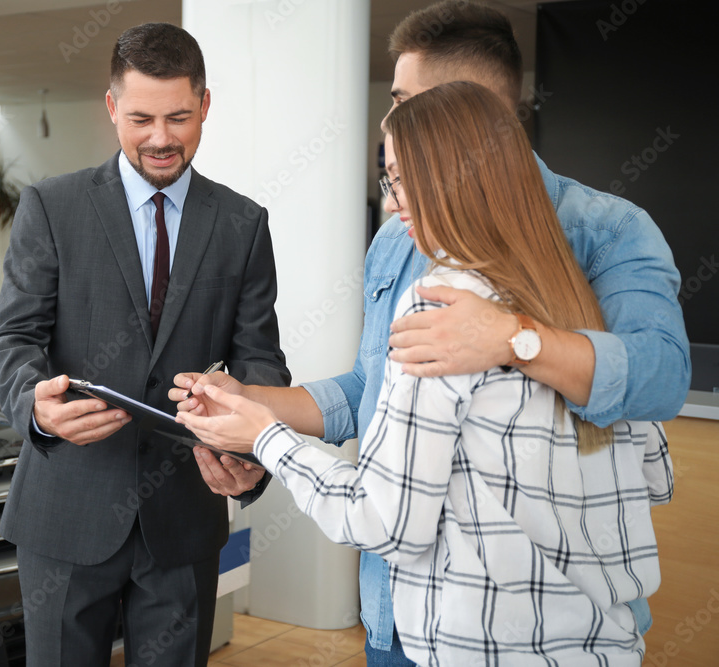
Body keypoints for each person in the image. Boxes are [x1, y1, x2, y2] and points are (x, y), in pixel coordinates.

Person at [171, 2, 689, 664]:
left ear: (462, 128)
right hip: (429, 615)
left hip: (470, 632)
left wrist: (512, 339)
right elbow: (375, 387)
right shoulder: (402, 244)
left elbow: (658, 379)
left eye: (406, 110)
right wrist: (253, 406)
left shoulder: (605, 232)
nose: (391, 129)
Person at [0, 22, 290, 666]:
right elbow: (13, 336)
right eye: (141, 118)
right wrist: (34, 407)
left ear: (205, 106)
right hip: (66, 509)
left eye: (179, 118)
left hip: (183, 515)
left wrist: (253, 452)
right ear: (111, 107)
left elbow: (260, 359)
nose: (160, 139)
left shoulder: (243, 225)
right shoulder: (51, 207)